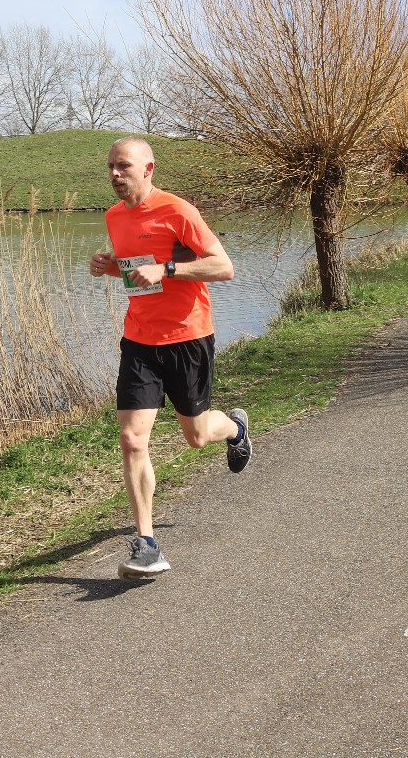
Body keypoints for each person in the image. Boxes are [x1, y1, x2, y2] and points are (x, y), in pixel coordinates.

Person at [89, 137, 251, 580]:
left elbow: (223, 267)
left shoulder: (178, 211)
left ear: (148, 168)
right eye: (111, 166)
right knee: (131, 438)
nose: (115, 174)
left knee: (196, 437)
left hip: (187, 337)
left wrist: (168, 268)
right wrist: (111, 266)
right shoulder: (114, 216)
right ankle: (146, 544)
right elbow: (139, 274)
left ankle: (235, 428)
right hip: (139, 340)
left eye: (123, 166)